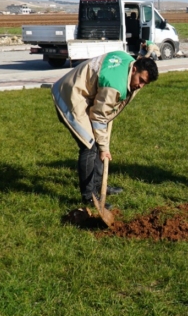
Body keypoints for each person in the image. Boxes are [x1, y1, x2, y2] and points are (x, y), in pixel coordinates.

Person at [51, 51, 158, 205]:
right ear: (134, 69)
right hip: (70, 96)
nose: (140, 86)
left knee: (99, 144)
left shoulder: (129, 62)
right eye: (140, 80)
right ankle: (89, 197)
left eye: (144, 84)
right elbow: (98, 116)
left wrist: (104, 145)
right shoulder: (114, 86)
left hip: (89, 95)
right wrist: (104, 147)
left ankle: (99, 185)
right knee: (90, 145)